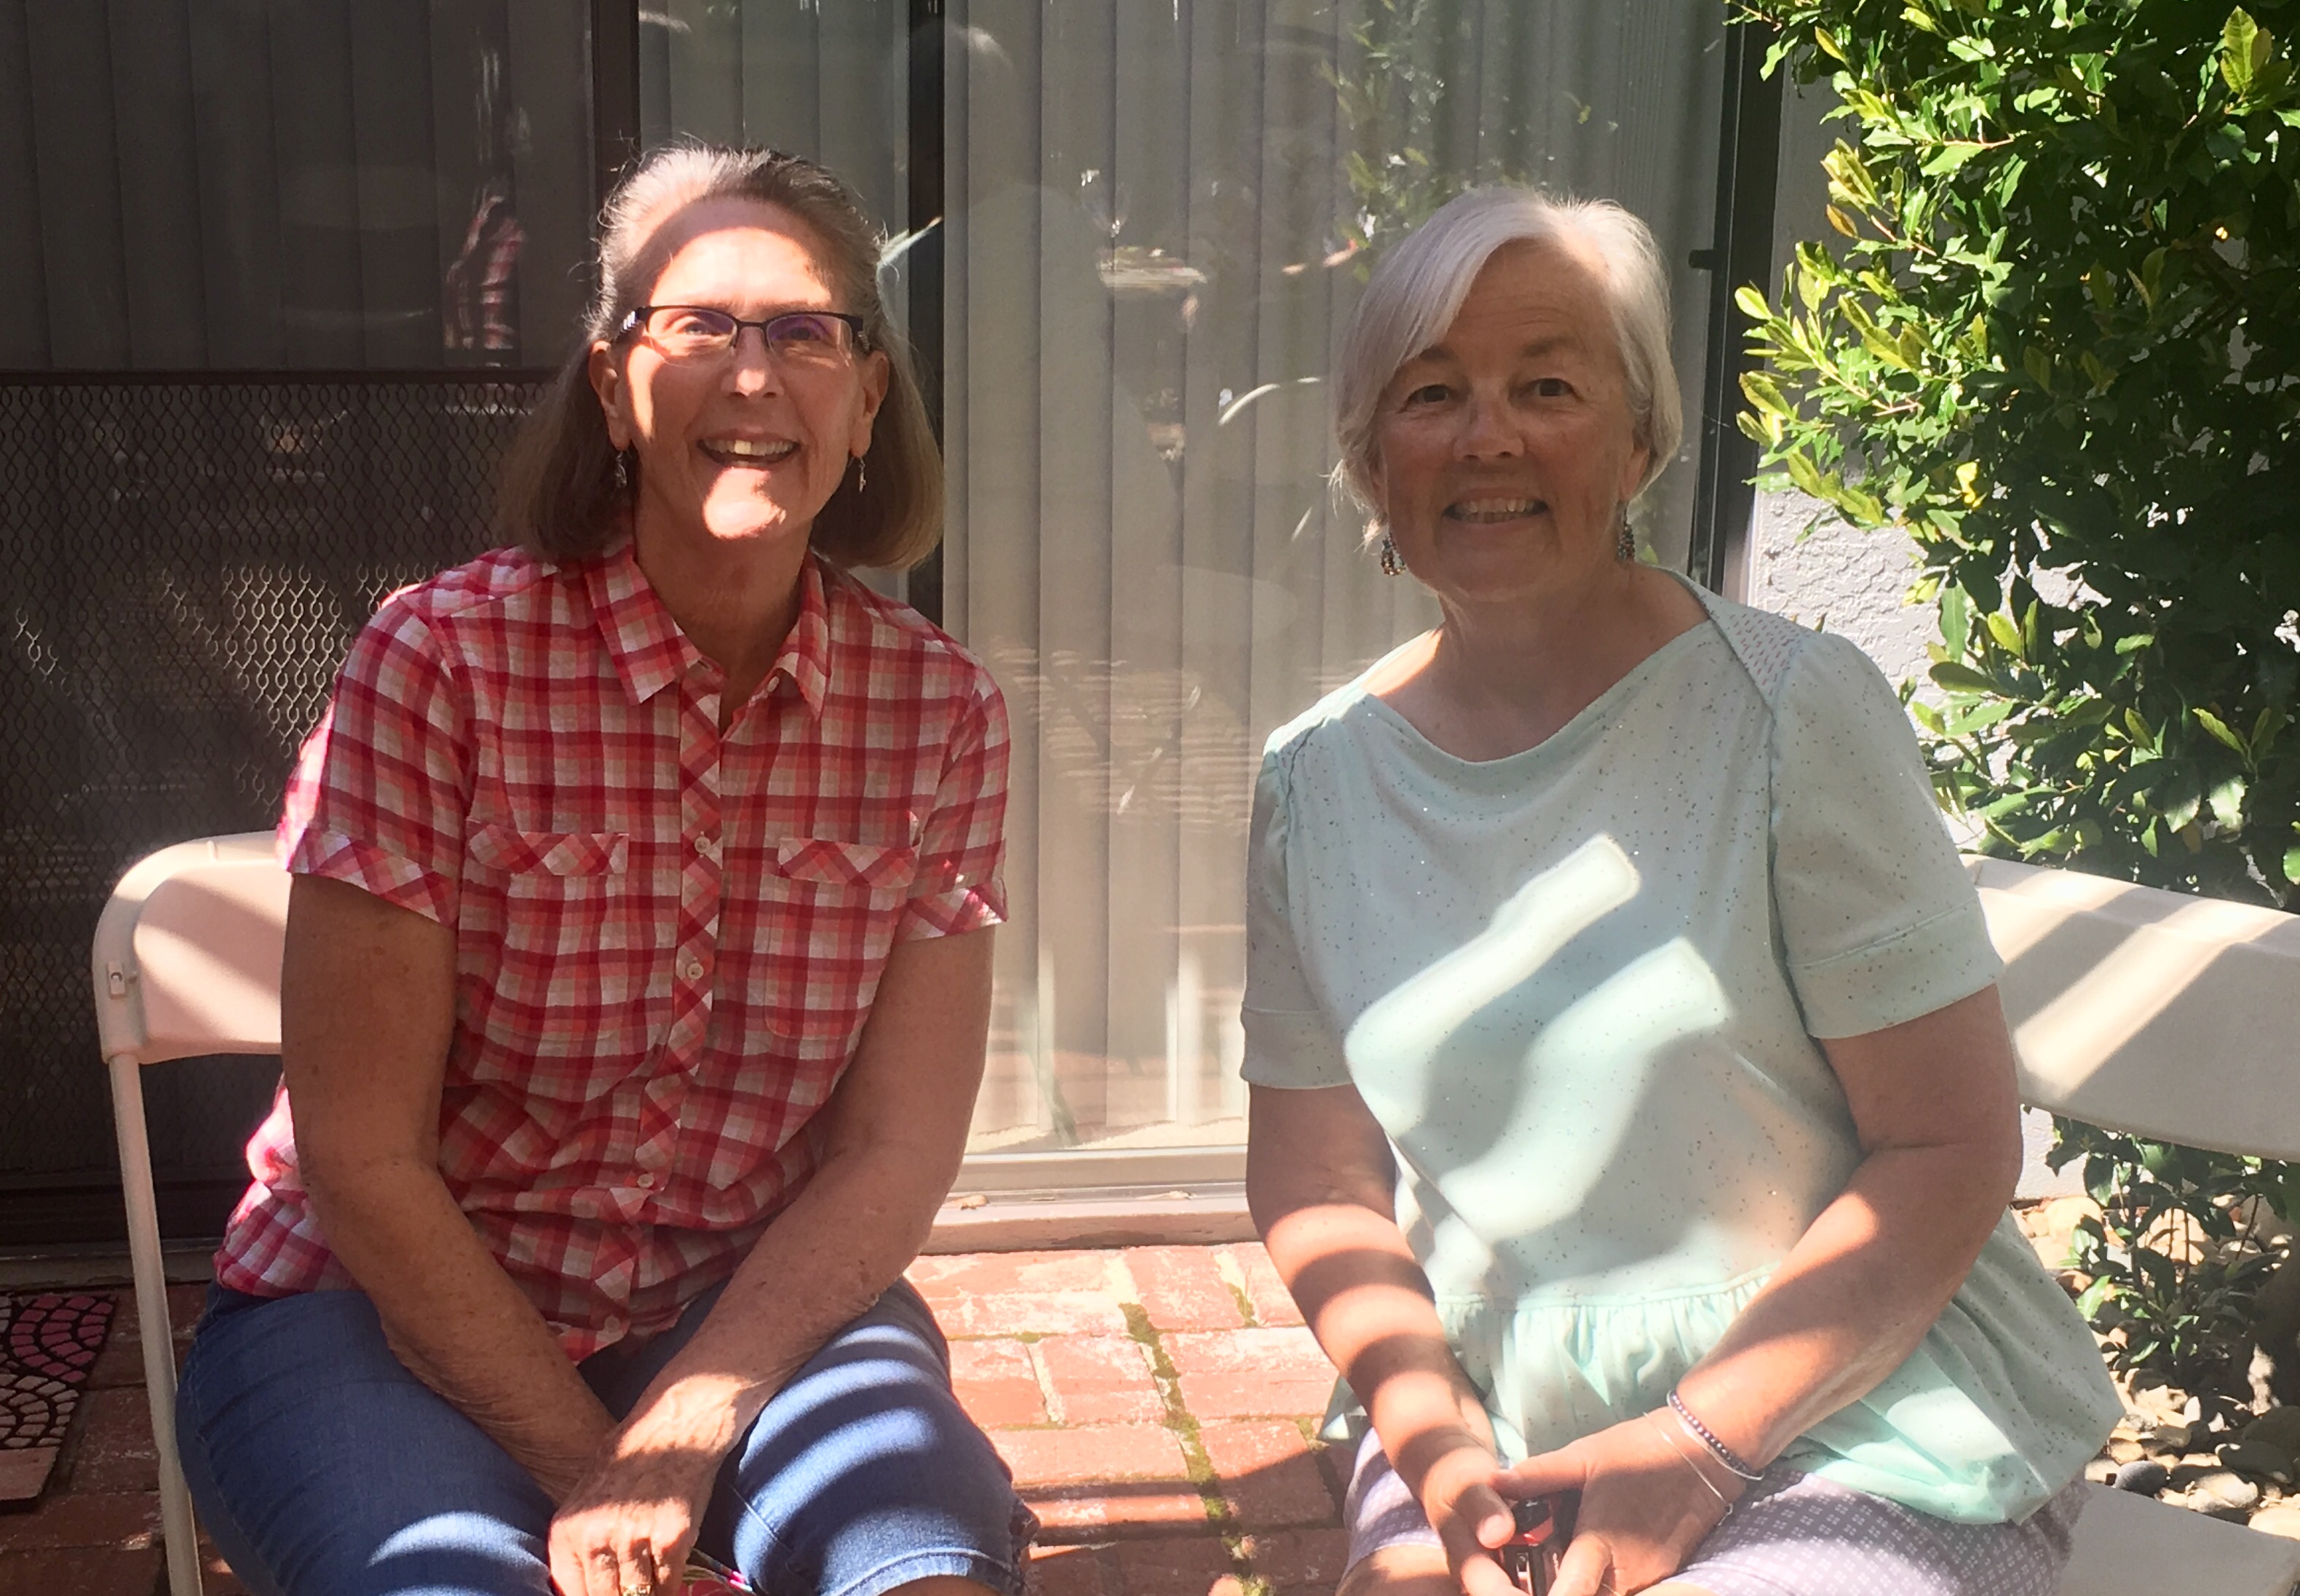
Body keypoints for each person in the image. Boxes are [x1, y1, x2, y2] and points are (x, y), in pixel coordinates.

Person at [175, 144, 1034, 1596]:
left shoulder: (939, 710)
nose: (752, 375)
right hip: (372, 1310)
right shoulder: (439, 664)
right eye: (696, 326)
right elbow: (362, 1158)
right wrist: (601, 1469)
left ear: (867, 400)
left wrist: (681, 1435)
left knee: (928, 1572)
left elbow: (893, 1151)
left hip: (743, 1308)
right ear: (612, 387)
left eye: (804, 331)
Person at [1240, 187, 2120, 1596]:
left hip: (1853, 1410)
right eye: (1431, 392)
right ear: (1368, 457)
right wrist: (1433, 1442)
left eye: (1547, 386)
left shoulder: (1788, 714)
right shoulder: (1313, 779)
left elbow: (1948, 1144)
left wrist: (1698, 1446)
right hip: (1486, 1416)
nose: (1486, 436)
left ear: (1640, 437)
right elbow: (1315, 1177)